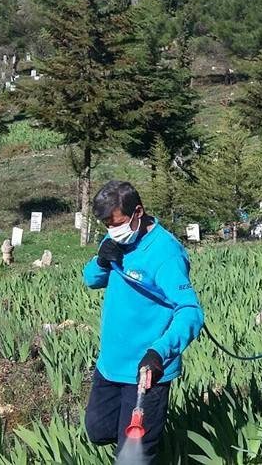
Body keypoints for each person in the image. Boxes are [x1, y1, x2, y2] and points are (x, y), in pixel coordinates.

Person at [82, 180, 205, 462]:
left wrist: (159, 352)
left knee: (132, 457)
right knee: (97, 431)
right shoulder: (115, 237)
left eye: (118, 223)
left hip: (146, 371)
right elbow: (90, 280)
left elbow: (190, 311)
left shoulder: (166, 253)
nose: (113, 231)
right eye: (107, 226)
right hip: (110, 362)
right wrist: (100, 262)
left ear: (138, 212)